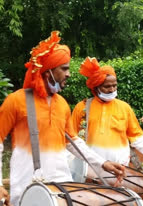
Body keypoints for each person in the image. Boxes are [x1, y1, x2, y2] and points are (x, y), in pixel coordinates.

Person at [0, 32, 125, 206]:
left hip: (63, 186)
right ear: (48, 71)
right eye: (64, 68)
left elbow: (73, 141)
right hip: (27, 188)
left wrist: (103, 163)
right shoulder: (15, 101)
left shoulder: (62, 104)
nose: (69, 74)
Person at [72, 57, 143, 166]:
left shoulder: (124, 107)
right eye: (107, 86)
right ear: (96, 87)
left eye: (114, 85)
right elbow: (71, 140)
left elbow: (139, 140)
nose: (112, 90)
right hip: (90, 172)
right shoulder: (81, 108)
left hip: (120, 171)